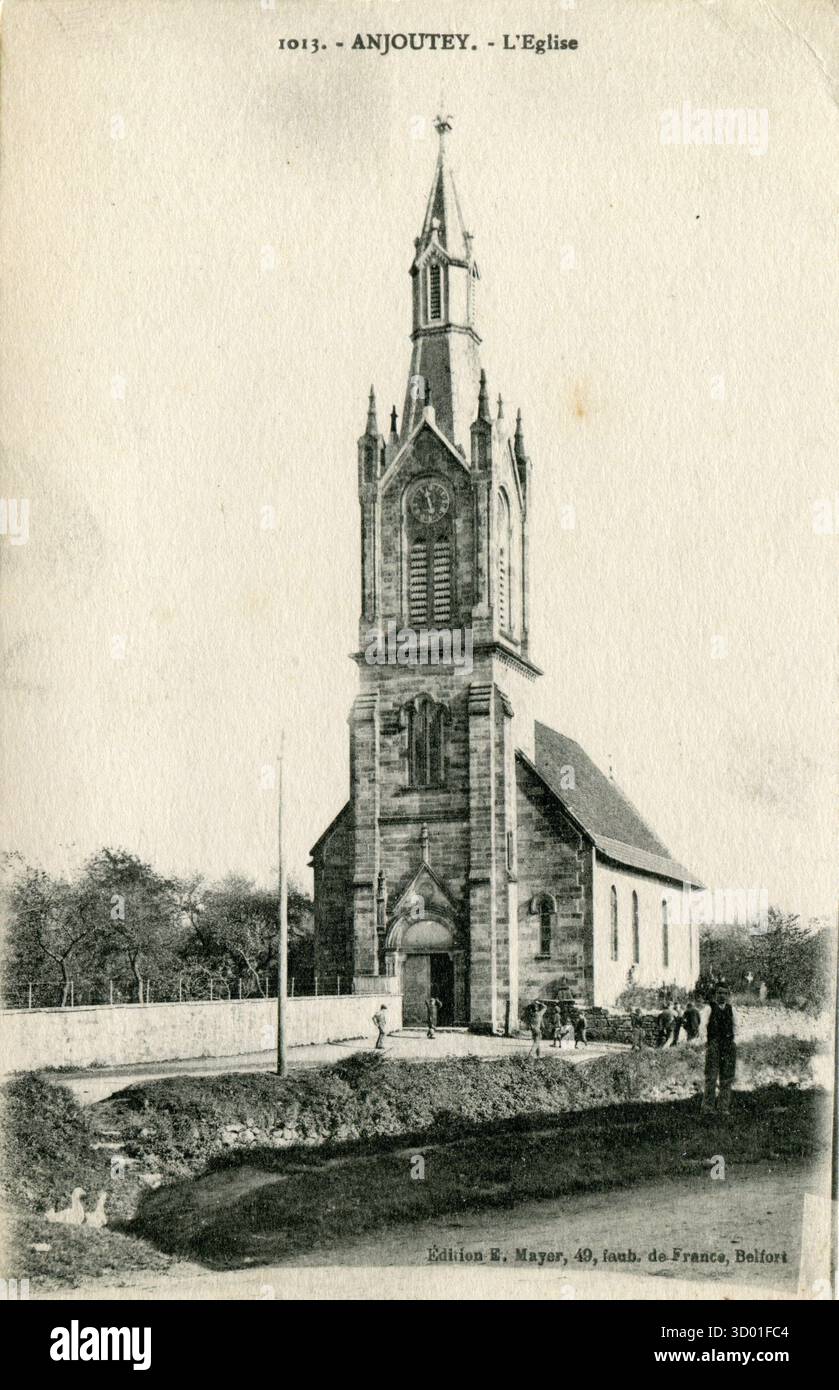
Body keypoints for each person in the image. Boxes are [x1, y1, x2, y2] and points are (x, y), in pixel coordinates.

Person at [702, 984, 736, 1114]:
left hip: (728, 1045)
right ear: (715, 994)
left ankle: (723, 1107)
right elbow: (703, 1026)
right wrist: (708, 1042)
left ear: (728, 995)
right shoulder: (709, 1008)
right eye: (719, 993)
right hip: (714, 1044)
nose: (722, 995)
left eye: (725, 993)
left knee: (727, 1077)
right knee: (711, 1076)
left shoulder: (731, 1009)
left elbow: (736, 1027)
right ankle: (708, 1108)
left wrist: (733, 1042)